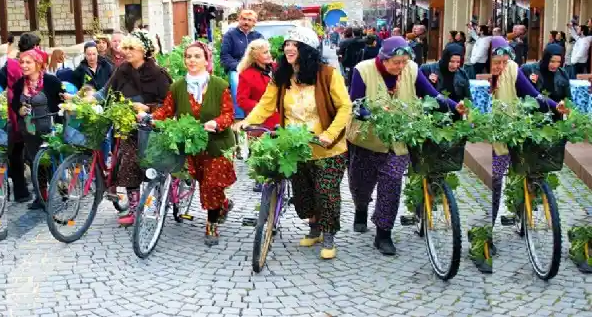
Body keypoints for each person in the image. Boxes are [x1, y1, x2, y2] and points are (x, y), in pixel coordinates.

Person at [236, 27, 352, 260]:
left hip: (327, 148)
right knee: (303, 194)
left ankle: (328, 235)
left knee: (326, 192)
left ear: (306, 50)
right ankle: (314, 229)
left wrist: (329, 133)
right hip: (295, 148)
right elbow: (266, 105)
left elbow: (345, 107)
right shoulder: (281, 77)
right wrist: (246, 122)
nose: (289, 48)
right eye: (287, 44)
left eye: (295, 44)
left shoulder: (328, 74)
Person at [347, 37, 464, 255]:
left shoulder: (411, 69)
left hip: (399, 138)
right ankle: (361, 208)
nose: (401, 66)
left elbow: (432, 94)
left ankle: (383, 233)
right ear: (383, 58)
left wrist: (454, 106)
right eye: (396, 62)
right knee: (359, 184)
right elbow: (356, 104)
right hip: (367, 139)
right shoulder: (362, 70)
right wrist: (373, 116)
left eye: (404, 61)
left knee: (391, 182)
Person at [483, 36, 565, 273]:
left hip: (511, 131)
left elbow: (531, 94)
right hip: (490, 137)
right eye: (496, 61)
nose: (501, 65)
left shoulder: (512, 69)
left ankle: (523, 215)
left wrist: (552, 105)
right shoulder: (482, 81)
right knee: (494, 181)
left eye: (504, 60)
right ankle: (486, 231)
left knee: (527, 170)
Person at [153, 41, 236, 246]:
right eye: (188, 56)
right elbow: (166, 111)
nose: (192, 60)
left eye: (197, 56)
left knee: (211, 184)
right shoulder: (178, 86)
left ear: (206, 60)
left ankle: (212, 224)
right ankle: (223, 204)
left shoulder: (219, 85)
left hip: (217, 144)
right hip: (191, 145)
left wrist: (216, 123)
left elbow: (228, 115)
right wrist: (150, 117)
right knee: (202, 182)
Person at [93, 31, 172, 226]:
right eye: (125, 47)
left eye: (131, 48)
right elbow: (106, 92)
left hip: (152, 128)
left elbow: (169, 104)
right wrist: (87, 99)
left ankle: (161, 203)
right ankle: (136, 210)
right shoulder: (122, 70)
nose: (126, 52)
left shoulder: (158, 74)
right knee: (128, 165)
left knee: (154, 168)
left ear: (144, 51)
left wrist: (148, 108)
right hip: (129, 127)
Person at [11, 48, 62, 210]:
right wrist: (20, 110)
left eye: (28, 62)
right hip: (29, 130)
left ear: (38, 64)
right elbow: (15, 106)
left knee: (52, 162)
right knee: (35, 162)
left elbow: (62, 102)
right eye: (22, 62)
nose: (24, 65)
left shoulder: (51, 81)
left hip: (49, 129)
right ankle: (41, 197)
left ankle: (61, 190)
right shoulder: (19, 84)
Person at [236, 39, 281, 192]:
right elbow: (242, 100)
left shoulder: (276, 69)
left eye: (269, 51)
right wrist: (262, 107)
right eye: (265, 52)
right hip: (260, 119)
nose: (269, 55)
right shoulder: (246, 75)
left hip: (278, 117)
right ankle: (259, 177)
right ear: (255, 56)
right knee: (259, 150)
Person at [7, 32, 42, 205]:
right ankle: (38, 193)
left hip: (18, 116)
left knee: (19, 155)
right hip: (24, 116)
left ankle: (23, 192)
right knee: (33, 156)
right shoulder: (24, 65)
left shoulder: (13, 62)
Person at [220, 9, 264, 120]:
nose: (246, 22)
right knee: (236, 82)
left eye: (250, 20)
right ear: (239, 20)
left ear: (254, 23)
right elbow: (225, 56)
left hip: (255, 68)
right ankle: (239, 116)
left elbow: (264, 55)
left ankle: (261, 112)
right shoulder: (230, 35)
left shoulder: (258, 36)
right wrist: (239, 67)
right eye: (244, 19)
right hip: (236, 69)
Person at [520, 44, 572, 108]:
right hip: (534, 112)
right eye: (552, 61)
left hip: (555, 112)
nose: (555, 65)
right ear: (546, 59)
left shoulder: (563, 74)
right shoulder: (529, 69)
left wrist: (564, 104)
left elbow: (568, 98)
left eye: (558, 62)